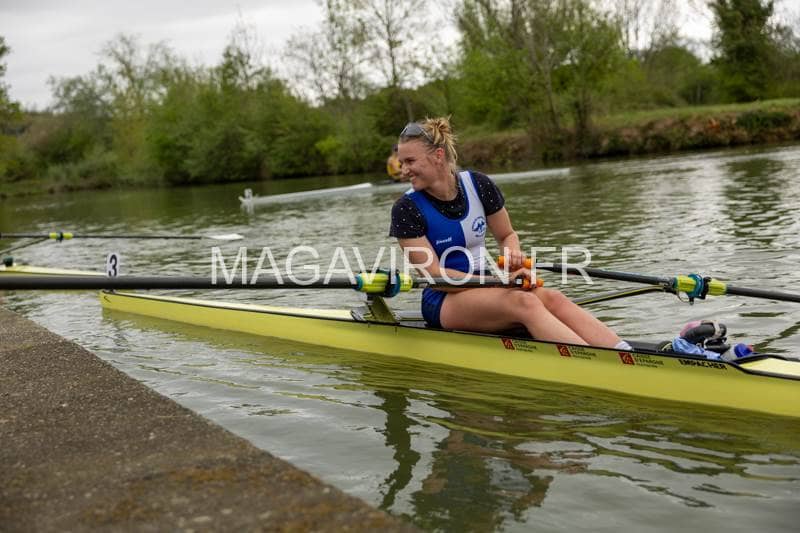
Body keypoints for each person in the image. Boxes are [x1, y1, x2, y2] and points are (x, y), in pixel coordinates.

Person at [389, 117, 631, 349]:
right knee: (524, 302)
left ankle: (625, 353)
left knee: (553, 298)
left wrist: (513, 262)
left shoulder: (478, 185)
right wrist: (499, 281)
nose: (404, 170)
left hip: (490, 286)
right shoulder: (406, 209)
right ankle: (591, 363)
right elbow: (434, 276)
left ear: (438, 156)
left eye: (410, 161)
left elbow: (507, 235)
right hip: (443, 298)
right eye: (402, 162)